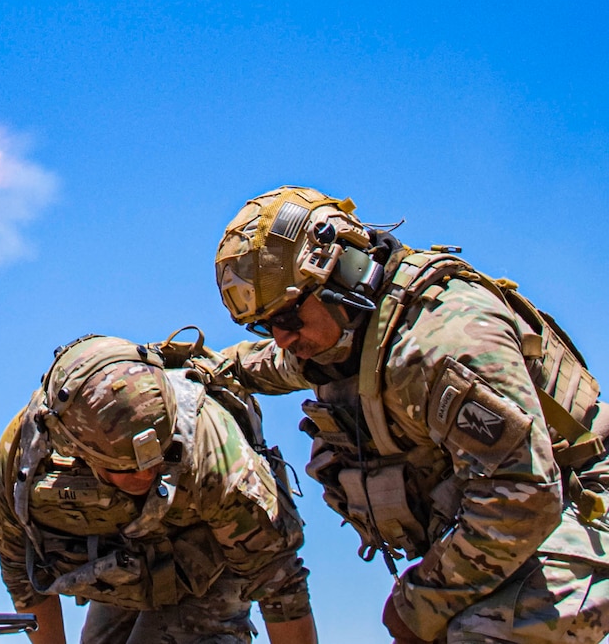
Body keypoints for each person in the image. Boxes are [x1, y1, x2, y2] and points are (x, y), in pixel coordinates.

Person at [213, 185, 609, 643]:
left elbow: (525, 492)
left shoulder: (441, 342)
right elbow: (266, 364)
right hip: (517, 515)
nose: (281, 337)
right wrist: (187, 365)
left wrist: (422, 600)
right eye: (266, 324)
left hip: (580, 501)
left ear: (343, 271)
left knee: (480, 633)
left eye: (287, 317)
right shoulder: (338, 335)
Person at [0, 334, 318, 643]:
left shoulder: (212, 452)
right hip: (125, 571)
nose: (147, 478)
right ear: (77, 453)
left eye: (159, 462)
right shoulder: (22, 465)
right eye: (127, 469)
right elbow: (24, 576)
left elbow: (278, 583)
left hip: (208, 565)